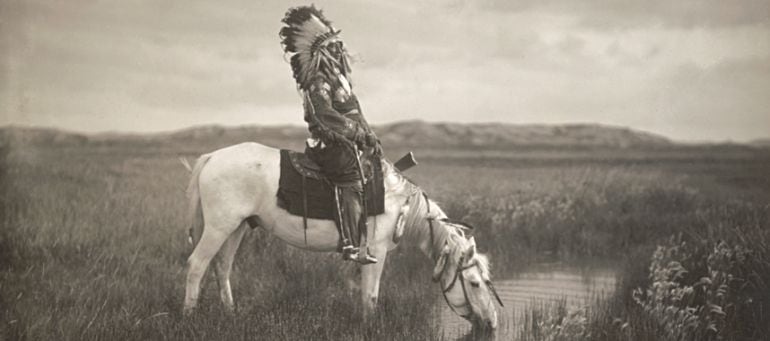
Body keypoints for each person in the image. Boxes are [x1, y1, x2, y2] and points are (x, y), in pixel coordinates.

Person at [280, 5, 382, 264]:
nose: (340, 50)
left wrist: (369, 135)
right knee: (350, 177)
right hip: (330, 144)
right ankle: (351, 244)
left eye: (339, 45)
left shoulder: (341, 79)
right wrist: (356, 133)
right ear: (322, 51)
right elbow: (324, 115)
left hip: (349, 141)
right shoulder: (317, 81)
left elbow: (355, 111)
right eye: (333, 46)